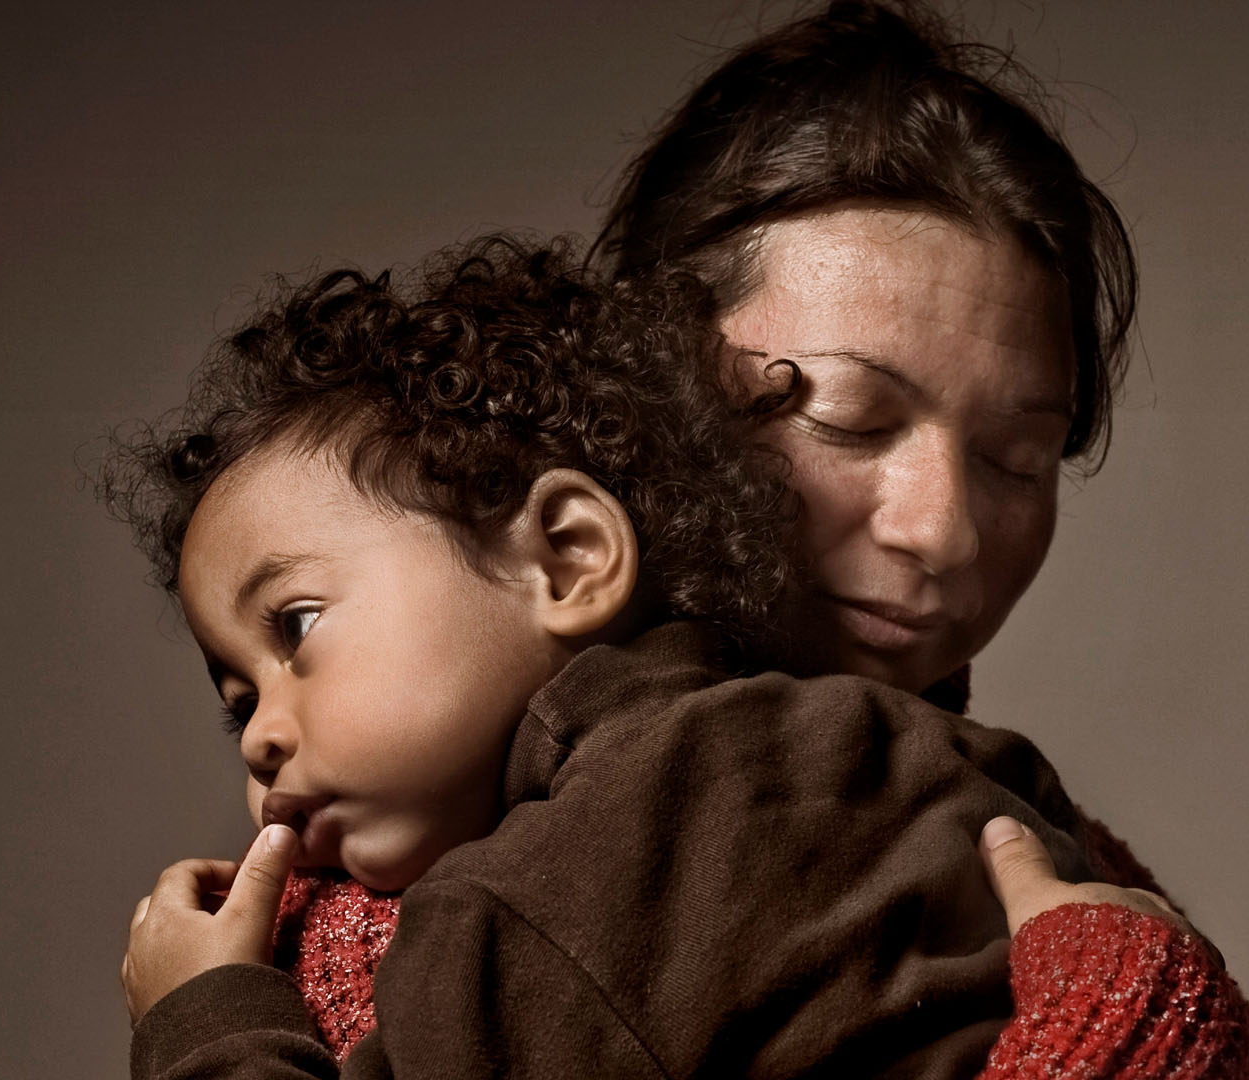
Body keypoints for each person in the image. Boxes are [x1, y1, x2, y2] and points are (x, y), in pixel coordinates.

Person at [112, 235, 1141, 1077]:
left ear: (569, 558)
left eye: (295, 628)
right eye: (237, 700)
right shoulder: (887, 749)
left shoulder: (540, 898)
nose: (259, 739)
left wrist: (207, 1019)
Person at [591, 1, 1249, 1073]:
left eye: (1018, 460)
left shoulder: (1043, 842)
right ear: (644, 382)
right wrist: (1119, 1038)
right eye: (849, 420)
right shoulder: (456, 847)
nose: (946, 531)